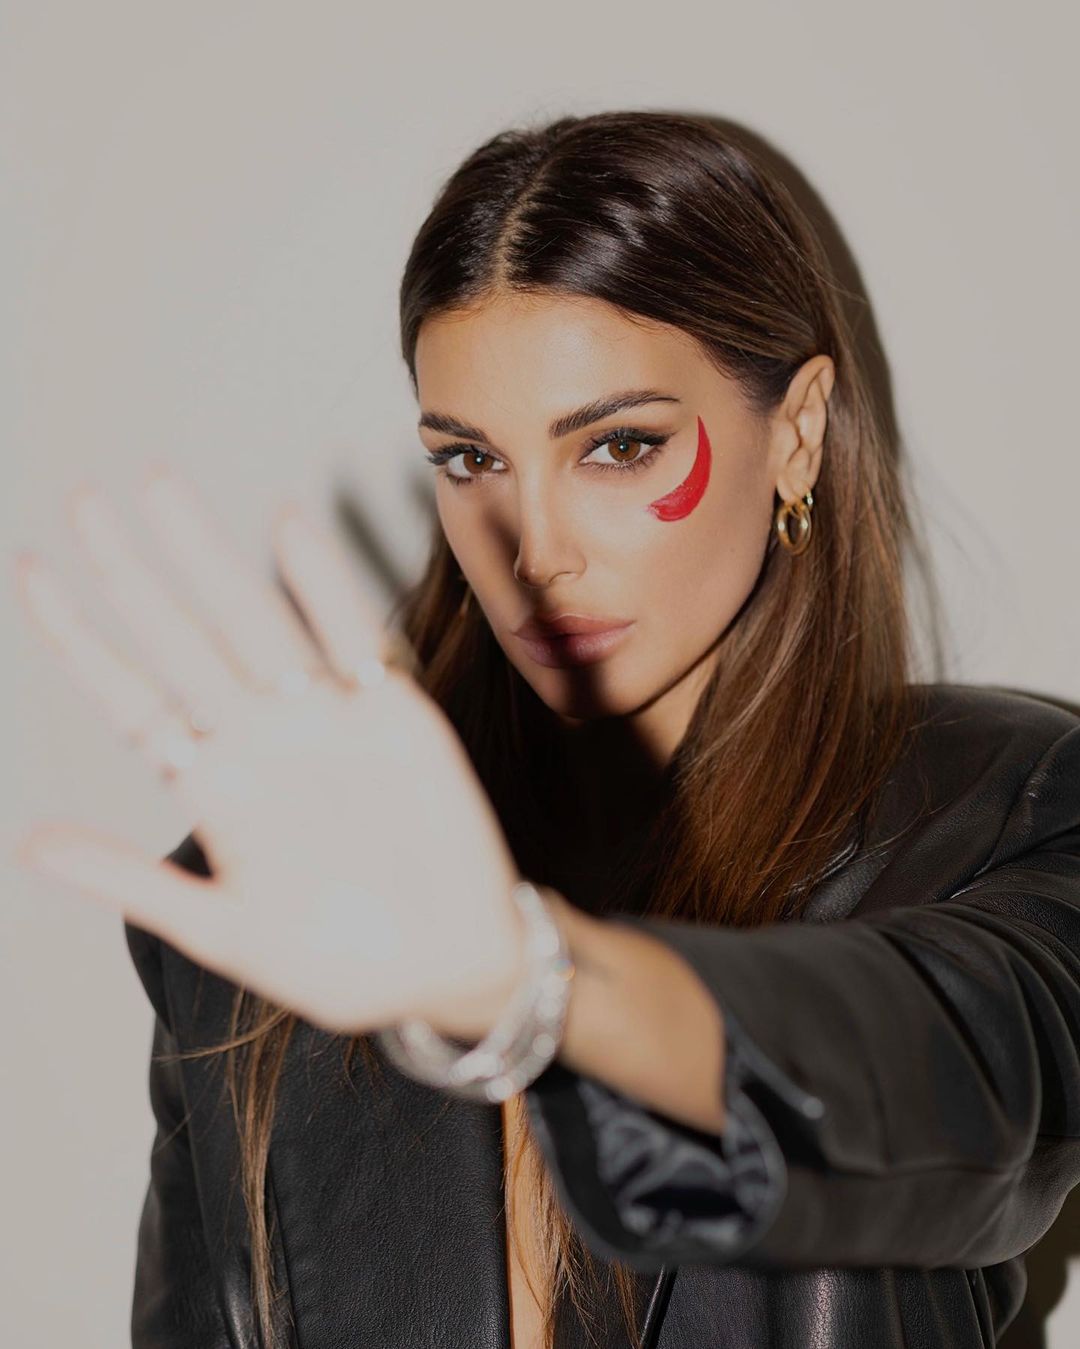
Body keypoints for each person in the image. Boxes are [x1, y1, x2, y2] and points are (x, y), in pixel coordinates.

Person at [13, 108, 1080, 1349]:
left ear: (795, 435)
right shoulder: (288, 890)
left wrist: (530, 985)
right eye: (472, 460)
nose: (534, 551)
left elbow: (972, 1104)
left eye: (619, 446)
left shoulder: (999, 811)